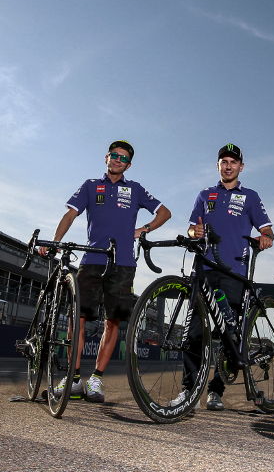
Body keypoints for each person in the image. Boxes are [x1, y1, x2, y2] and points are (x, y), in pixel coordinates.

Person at [48, 140, 172, 402]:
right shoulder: (91, 185)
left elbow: (165, 212)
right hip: (92, 260)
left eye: (123, 158)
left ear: (129, 164)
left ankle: (96, 379)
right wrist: (57, 240)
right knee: (77, 319)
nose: (118, 160)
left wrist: (144, 229)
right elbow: (70, 215)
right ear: (106, 157)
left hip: (123, 263)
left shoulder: (135, 189)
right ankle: (74, 379)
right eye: (114, 155)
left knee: (112, 321)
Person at [177, 143, 274, 411]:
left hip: (234, 272)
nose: (228, 166)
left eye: (233, 162)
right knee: (193, 332)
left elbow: (267, 229)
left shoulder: (250, 196)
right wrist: (195, 232)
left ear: (241, 166)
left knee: (229, 335)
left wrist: (266, 237)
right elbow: (192, 228)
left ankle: (215, 391)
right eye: (224, 162)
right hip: (204, 271)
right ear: (218, 166)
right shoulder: (204, 195)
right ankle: (188, 391)